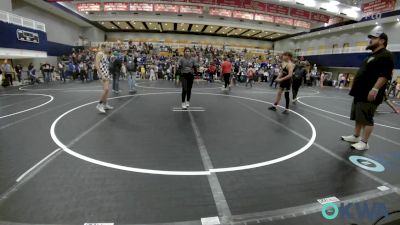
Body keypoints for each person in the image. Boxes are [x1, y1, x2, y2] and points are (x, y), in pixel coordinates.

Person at [341, 31, 394, 151]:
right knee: (359, 116)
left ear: (382, 41)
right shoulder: (372, 55)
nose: (370, 40)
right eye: (370, 38)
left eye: (374, 38)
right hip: (360, 92)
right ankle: (356, 136)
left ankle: (364, 142)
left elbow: (385, 75)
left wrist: (374, 89)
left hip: (369, 93)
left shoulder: (386, 55)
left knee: (366, 118)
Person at [95, 44, 114, 114]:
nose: (109, 48)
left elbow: (105, 64)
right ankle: (99, 105)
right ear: (103, 47)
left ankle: (105, 104)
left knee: (107, 90)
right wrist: (101, 74)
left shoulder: (105, 55)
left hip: (106, 73)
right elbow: (96, 65)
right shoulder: (99, 53)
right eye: (108, 47)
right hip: (102, 73)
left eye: (110, 47)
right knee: (105, 89)